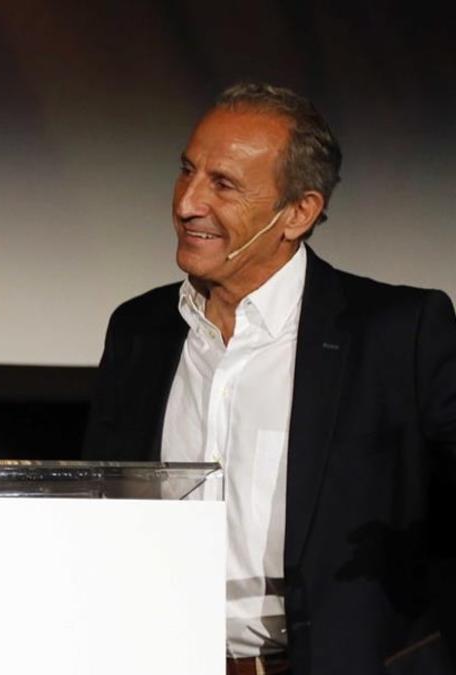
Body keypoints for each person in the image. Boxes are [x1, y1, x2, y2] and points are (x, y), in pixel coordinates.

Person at [84, 82, 456, 674]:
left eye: (223, 184)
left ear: (298, 213)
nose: (186, 203)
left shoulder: (398, 334)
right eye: (187, 171)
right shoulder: (139, 330)